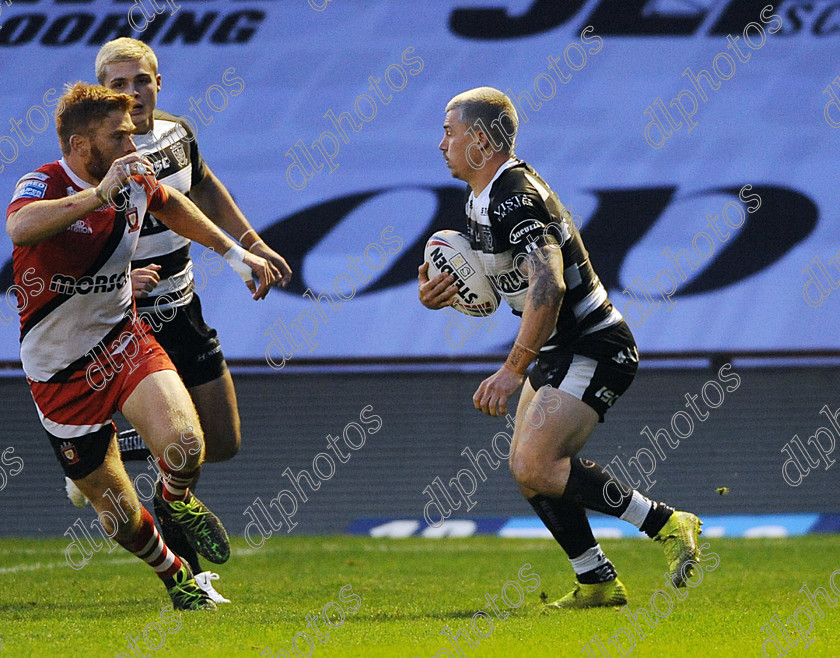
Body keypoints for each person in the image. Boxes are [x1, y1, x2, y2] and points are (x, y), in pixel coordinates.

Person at [418, 87, 702, 608]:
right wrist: (444, 295)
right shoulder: (483, 198)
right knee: (530, 473)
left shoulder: (514, 198)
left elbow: (550, 286)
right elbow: (498, 290)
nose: (441, 143)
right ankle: (596, 581)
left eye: (448, 131)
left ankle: (665, 523)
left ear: (480, 140)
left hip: (592, 344)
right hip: (560, 349)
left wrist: (510, 369)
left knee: (534, 464)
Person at [6, 82, 279, 610]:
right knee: (121, 518)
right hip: (59, 370)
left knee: (187, 444)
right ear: (83, 146)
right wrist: (98, 192)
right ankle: (175, 575)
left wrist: (237, 255)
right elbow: (20, 228)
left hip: (123, 339)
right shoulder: (42, 182)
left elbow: (173, 203)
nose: (134, 146)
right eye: (120, 136)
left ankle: (176, 501)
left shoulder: (133, 176)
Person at [63, 37, 293, 603]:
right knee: (178, 449)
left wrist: (250, 243)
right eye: (118, 84)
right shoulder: (94, 161)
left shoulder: (176, 134)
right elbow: (62, 244)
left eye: (141, 80)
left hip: (183, 308)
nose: (133, 93)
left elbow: (205, 185)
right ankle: (188, 579)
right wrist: (117, 284)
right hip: (126, 323)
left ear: (158, 82)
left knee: (222, 441)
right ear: (101, 93)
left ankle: (108, 455)